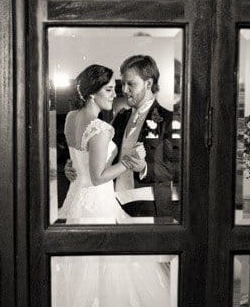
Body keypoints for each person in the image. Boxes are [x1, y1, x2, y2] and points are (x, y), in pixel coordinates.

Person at [50, 65, 175, 307]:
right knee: (111, 275)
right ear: (92, 92)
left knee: (81, 276)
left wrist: (69, 166)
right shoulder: (99, 129)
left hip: (78, 205)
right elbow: (97, 176)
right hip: (98, 206)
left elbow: (76, 160)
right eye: (108, 90)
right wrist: (127, 163)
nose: (113, 95)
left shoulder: (69, 119)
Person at [65, 55, 181, 222]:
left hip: (149, 207)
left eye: (131, 84)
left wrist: (145, 167)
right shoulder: (120, 117)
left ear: (148, 84)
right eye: (123, 83)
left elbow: (180, 168)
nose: (124, 90)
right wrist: (76, 166)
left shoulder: (170, 120)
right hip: (112, 204)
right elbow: (98, 153)